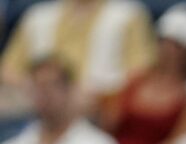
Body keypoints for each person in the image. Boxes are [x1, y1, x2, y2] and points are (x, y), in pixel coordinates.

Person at [97, 3, 186, 144]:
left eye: (178, 46)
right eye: (166, 42)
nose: (170, 51)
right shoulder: (134, 81)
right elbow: (107, 127)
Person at [0, 0, 155, 102]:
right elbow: (7, 69)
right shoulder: (37, 16)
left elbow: (141, 71)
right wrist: (41, 88)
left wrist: (101, 93)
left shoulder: (129, 15)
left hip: (99, 104)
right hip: (36, 103)